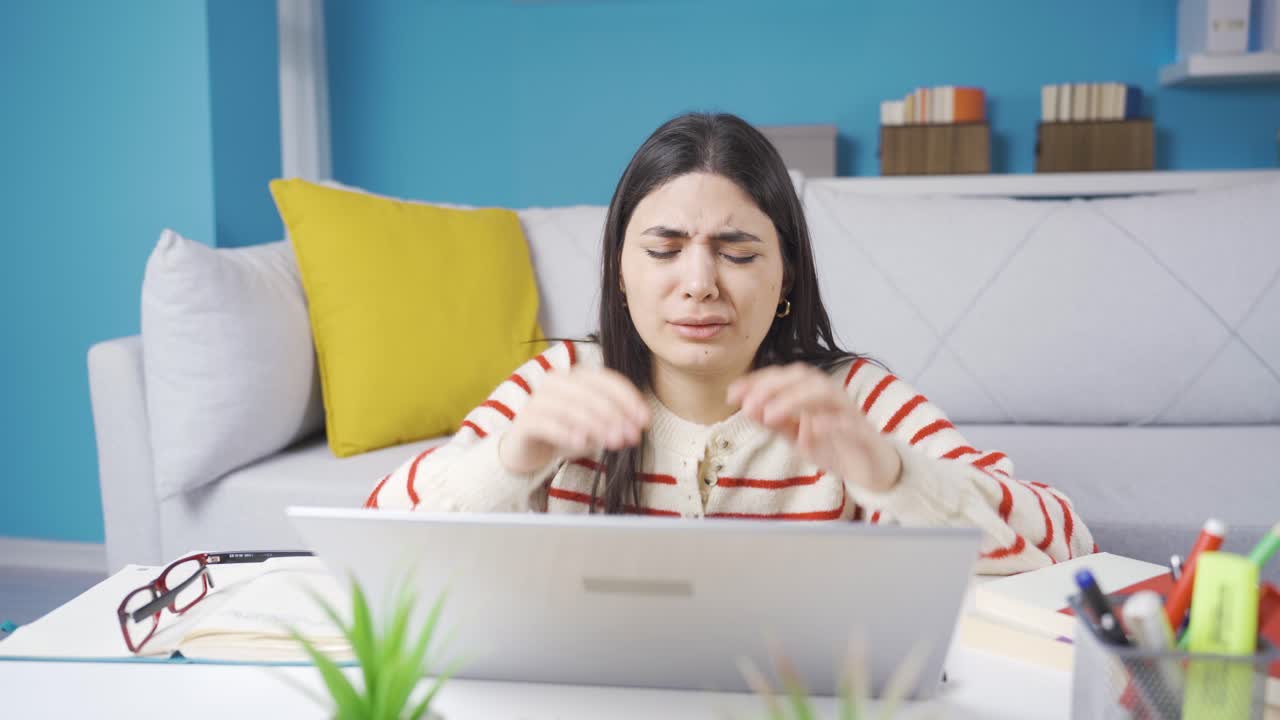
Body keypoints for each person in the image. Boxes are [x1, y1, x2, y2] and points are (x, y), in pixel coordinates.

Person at [365, 112, 1094, 574]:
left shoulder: (850, 398)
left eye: (738, 253)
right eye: (664, 250)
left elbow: (1067, 537)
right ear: (620, 271)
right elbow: (376, 539)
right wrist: (513, 455)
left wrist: (890, 471)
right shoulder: (564, 380)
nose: (700, 283)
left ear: (786, 276)